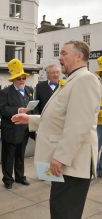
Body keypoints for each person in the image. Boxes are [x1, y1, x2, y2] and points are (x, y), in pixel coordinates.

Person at [12, 40, 102, 219]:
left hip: (71, 165)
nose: (59, 58)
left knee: (64, 213)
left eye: (64, 53)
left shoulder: (85, 79)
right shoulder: (74, 79)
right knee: (59, 210)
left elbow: (79, 125)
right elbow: (61, 117)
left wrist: (61, 157)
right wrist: (31, 119)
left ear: (78, 56)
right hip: (67, 165)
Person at [0, 58, 34, 190]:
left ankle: (20, 176)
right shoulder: (5, 92)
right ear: (13, 79)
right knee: (8, 156)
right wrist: (18, 110)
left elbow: (33, 107)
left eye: (23, 78)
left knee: (20, 155)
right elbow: (1, 109)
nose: (22, 80)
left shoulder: (29, 90)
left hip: (24, 129)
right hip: (11, 130)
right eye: (19, 78)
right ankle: (8, 179)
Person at [95, 56, 102, 176]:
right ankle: (92, 170)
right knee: (94, 148)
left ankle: (100, 169)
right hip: (97, 122)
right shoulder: (95, 85)